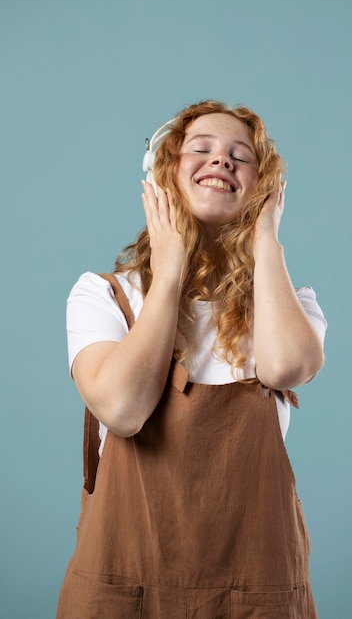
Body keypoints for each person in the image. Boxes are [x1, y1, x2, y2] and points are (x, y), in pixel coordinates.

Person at [56, 99, 327, 619]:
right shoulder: (104, 295)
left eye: (240, 157)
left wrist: (266, 239)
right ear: (162, 175)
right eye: (200, 150)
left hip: (255, 596)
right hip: (123, 593)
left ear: (264, 186)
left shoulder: (290, 305)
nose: (221, 161)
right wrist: (171, 270)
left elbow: (285, 368)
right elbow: (123, 407)